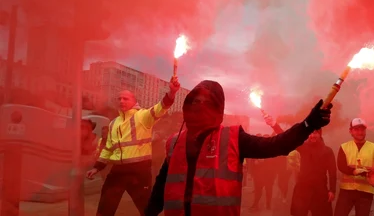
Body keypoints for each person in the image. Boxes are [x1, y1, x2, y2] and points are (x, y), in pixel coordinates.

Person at [144, 80, 333, 216]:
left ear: (217, 108)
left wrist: (307, 125)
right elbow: (162, 184)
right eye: (195, 101)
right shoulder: (174, 141)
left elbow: (276, 145)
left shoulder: (233, 137)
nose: (200, 106)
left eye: (207, 102)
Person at [86, 76, 180, 216]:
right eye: (119, 98)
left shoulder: (143, 116)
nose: (121, 101)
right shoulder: (113, 123)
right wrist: (97, 167)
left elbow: (160, 108)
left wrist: (171, 93)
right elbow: (108, 148)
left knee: (147, 210)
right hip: (117, 172)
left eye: (125, 98)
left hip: (139, 172)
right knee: (104, 209)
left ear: (134, 102)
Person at [267, 117, 336, 216]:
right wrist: (274, 125)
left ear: (320, 134)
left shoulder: (328, 151)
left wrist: (332, 190)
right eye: (310, 133)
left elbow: (332, 172)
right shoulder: (303, 147)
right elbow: (288, 139)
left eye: (315, 133)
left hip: (320, 190)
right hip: (302, 189)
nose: (312, 136)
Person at [334, 118, 374, 216]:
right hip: (346, 191)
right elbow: (341, 166)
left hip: (366, 192)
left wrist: (373, 172)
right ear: (350, 131)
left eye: (362, 129)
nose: (360, 132)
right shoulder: (344, 147)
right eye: (356, 129)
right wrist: (357, 171)